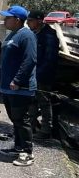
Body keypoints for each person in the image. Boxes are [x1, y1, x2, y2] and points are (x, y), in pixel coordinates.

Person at [0, 5, 37, 167]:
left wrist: (18, 80)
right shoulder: (12, 35)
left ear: (17, 20)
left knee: (22, 119)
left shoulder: (26, 36)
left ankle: (27, 152)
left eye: (8, 18)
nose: (5, 20)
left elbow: (30, 60)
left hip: (21, 88)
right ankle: (18, 147)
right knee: (15, 119)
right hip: (7, 86)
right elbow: (5, 59)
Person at [26, 10, 59, 140]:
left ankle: (46, 130)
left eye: (30, 21)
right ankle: (31, 125)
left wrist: (38, 74)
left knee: (44, 102)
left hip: (44, 75)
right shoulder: (35, 33)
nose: (28, 23)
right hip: (34, 73)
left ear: (39, 21)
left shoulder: (48, 36)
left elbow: (49, 59)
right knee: (32, 100)